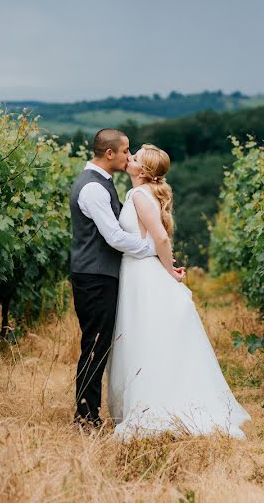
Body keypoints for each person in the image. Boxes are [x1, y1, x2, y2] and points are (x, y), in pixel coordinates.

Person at [107, 144, 250, 440]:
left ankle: (155, 406)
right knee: (148, 336)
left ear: (143, 171)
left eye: (134, 158)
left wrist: (170, 271)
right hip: (138, 271)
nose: (128, 159)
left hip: (142, 273)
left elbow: (160, 237)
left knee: (144, 337)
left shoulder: (137, 195)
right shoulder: (143, 194)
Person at [69, 129, 186, 428]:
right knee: (96, 345)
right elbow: (114, 237)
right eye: (125, 151)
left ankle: (90, 413)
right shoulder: (94, 188)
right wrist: (150, 251)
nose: (128, 156)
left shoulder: (105, 184)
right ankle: (86, 417)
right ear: (110, 153)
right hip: (94, 276)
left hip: (102, 274)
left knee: (101, 344)